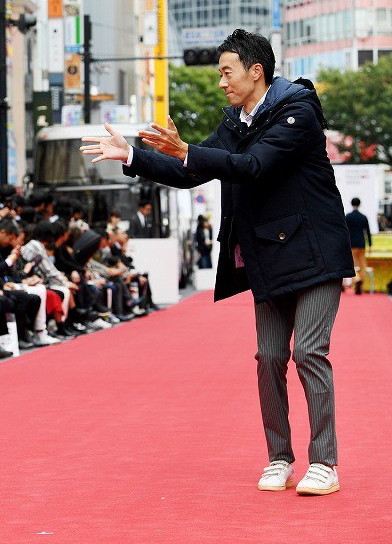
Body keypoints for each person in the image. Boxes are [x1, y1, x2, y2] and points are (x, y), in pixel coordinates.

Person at [80, 29, 353, 496]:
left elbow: (253, 167)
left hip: (315, 253)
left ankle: (324, 462)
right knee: (268, 357)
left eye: (227, 72)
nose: (222, 82)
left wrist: (187, 150)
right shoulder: (235, 123)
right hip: (267, 255)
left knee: (309, 352)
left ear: (255, 71)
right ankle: (279, 458)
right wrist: (132, 156)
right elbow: (193, 170)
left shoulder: (298, 110)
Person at [344, 197, 372, 295]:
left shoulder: (348, 216)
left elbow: (345, 231)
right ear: (359, 204)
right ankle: (361, 286)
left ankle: (357, 279)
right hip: (362, 244)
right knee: (362, 265)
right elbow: (368, 232)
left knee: (354, 265)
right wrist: (370, 245)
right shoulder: (363, 217)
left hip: (352, 244)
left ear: (352, 204)